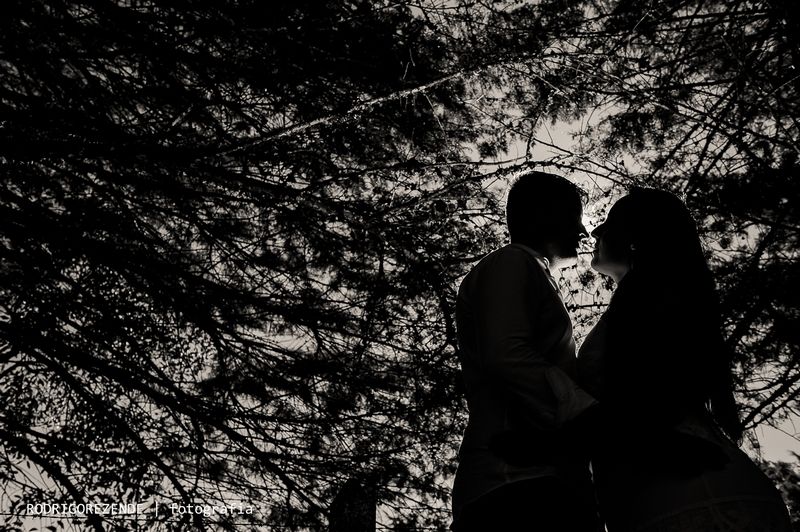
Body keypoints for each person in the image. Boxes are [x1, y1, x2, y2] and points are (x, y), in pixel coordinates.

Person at [579, 187, 793, 532]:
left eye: (609, 223)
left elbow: (634, 401)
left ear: (634, 239)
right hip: (692, 479)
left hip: (682, 490)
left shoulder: (650, 304)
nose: (595, 233)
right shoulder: (665, 302)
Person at [451, 171, 601, 532]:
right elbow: (507, 353)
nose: (582, 231)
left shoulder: (529, 270)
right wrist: (585, 413)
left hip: (540, 479)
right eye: (573, 216)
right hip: (514, 484)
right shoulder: (512, 262)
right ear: (542, 215)